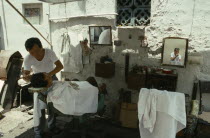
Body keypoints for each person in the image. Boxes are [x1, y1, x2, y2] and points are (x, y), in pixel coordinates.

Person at [23, 37, 63, 138]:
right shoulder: (28, 58)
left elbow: (60, 66)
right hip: (39, 82)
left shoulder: (49, 52)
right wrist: (26, 77)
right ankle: (38, 132)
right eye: (31, 52)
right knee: (39, 108)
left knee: (52, 105)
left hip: (51, 78)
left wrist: (48, 75)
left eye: (36, 51)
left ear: (41, 47)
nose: (35, 54)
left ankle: (52, 126)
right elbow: (26, 76)